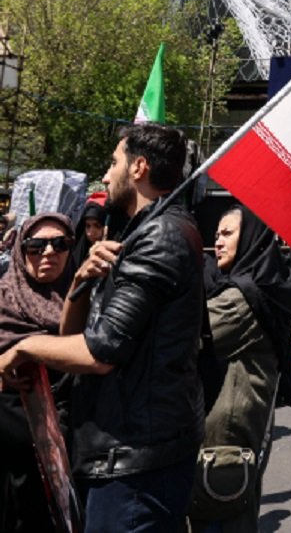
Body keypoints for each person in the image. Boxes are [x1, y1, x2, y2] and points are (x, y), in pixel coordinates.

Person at [0, 124, 205, 531]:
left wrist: (22, 349)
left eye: (113, 163)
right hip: (119, 454)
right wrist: (81, 282)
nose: (106, 176)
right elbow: (72, 339)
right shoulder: (144, 231)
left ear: (139, 167)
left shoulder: (160, 235)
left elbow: (101, 351)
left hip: (134, 462)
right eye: (36, 247)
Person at [189, 205, 291, 532]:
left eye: (227, 234)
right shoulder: (240, 285)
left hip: (224, 446)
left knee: (221, 518)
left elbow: (187, 336)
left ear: (252, 238)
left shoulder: (244, 298)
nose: (217, 242)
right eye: (216, 235)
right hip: (223, 444)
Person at [0, 213, 76, 533]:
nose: (49, 253)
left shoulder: (86, 300)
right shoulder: (3, 299)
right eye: (35, 245)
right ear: (20, 250)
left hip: (71, 459)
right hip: (10, 467)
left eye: (60, 244)